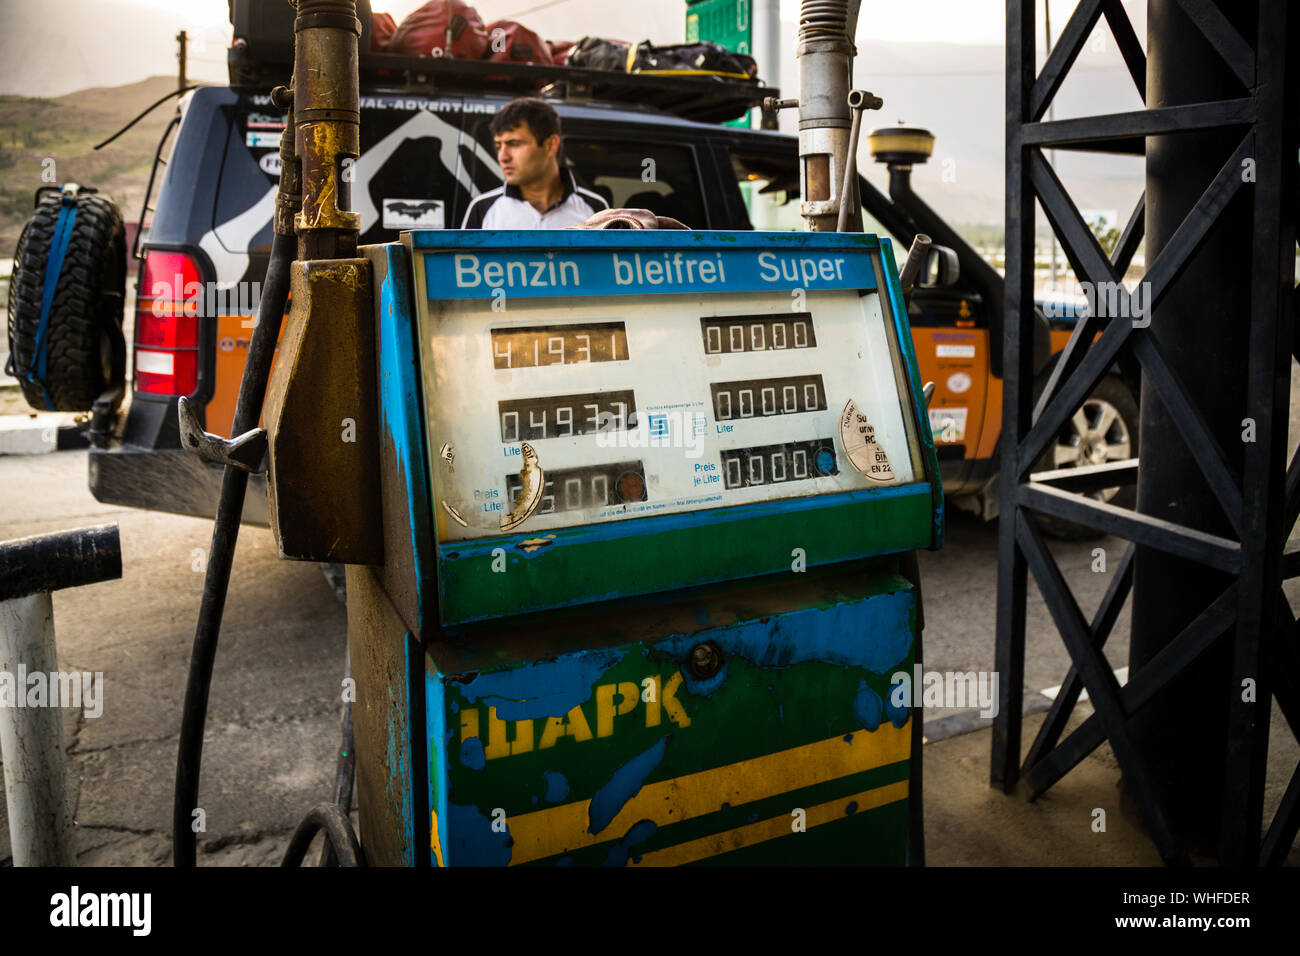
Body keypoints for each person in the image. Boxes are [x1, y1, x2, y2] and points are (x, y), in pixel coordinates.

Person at [461, 97, 607, 228]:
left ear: (550, 145)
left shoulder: (595, 210)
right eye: (499, 146)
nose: (502, 157)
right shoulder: (482, 209)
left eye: (514, 143)